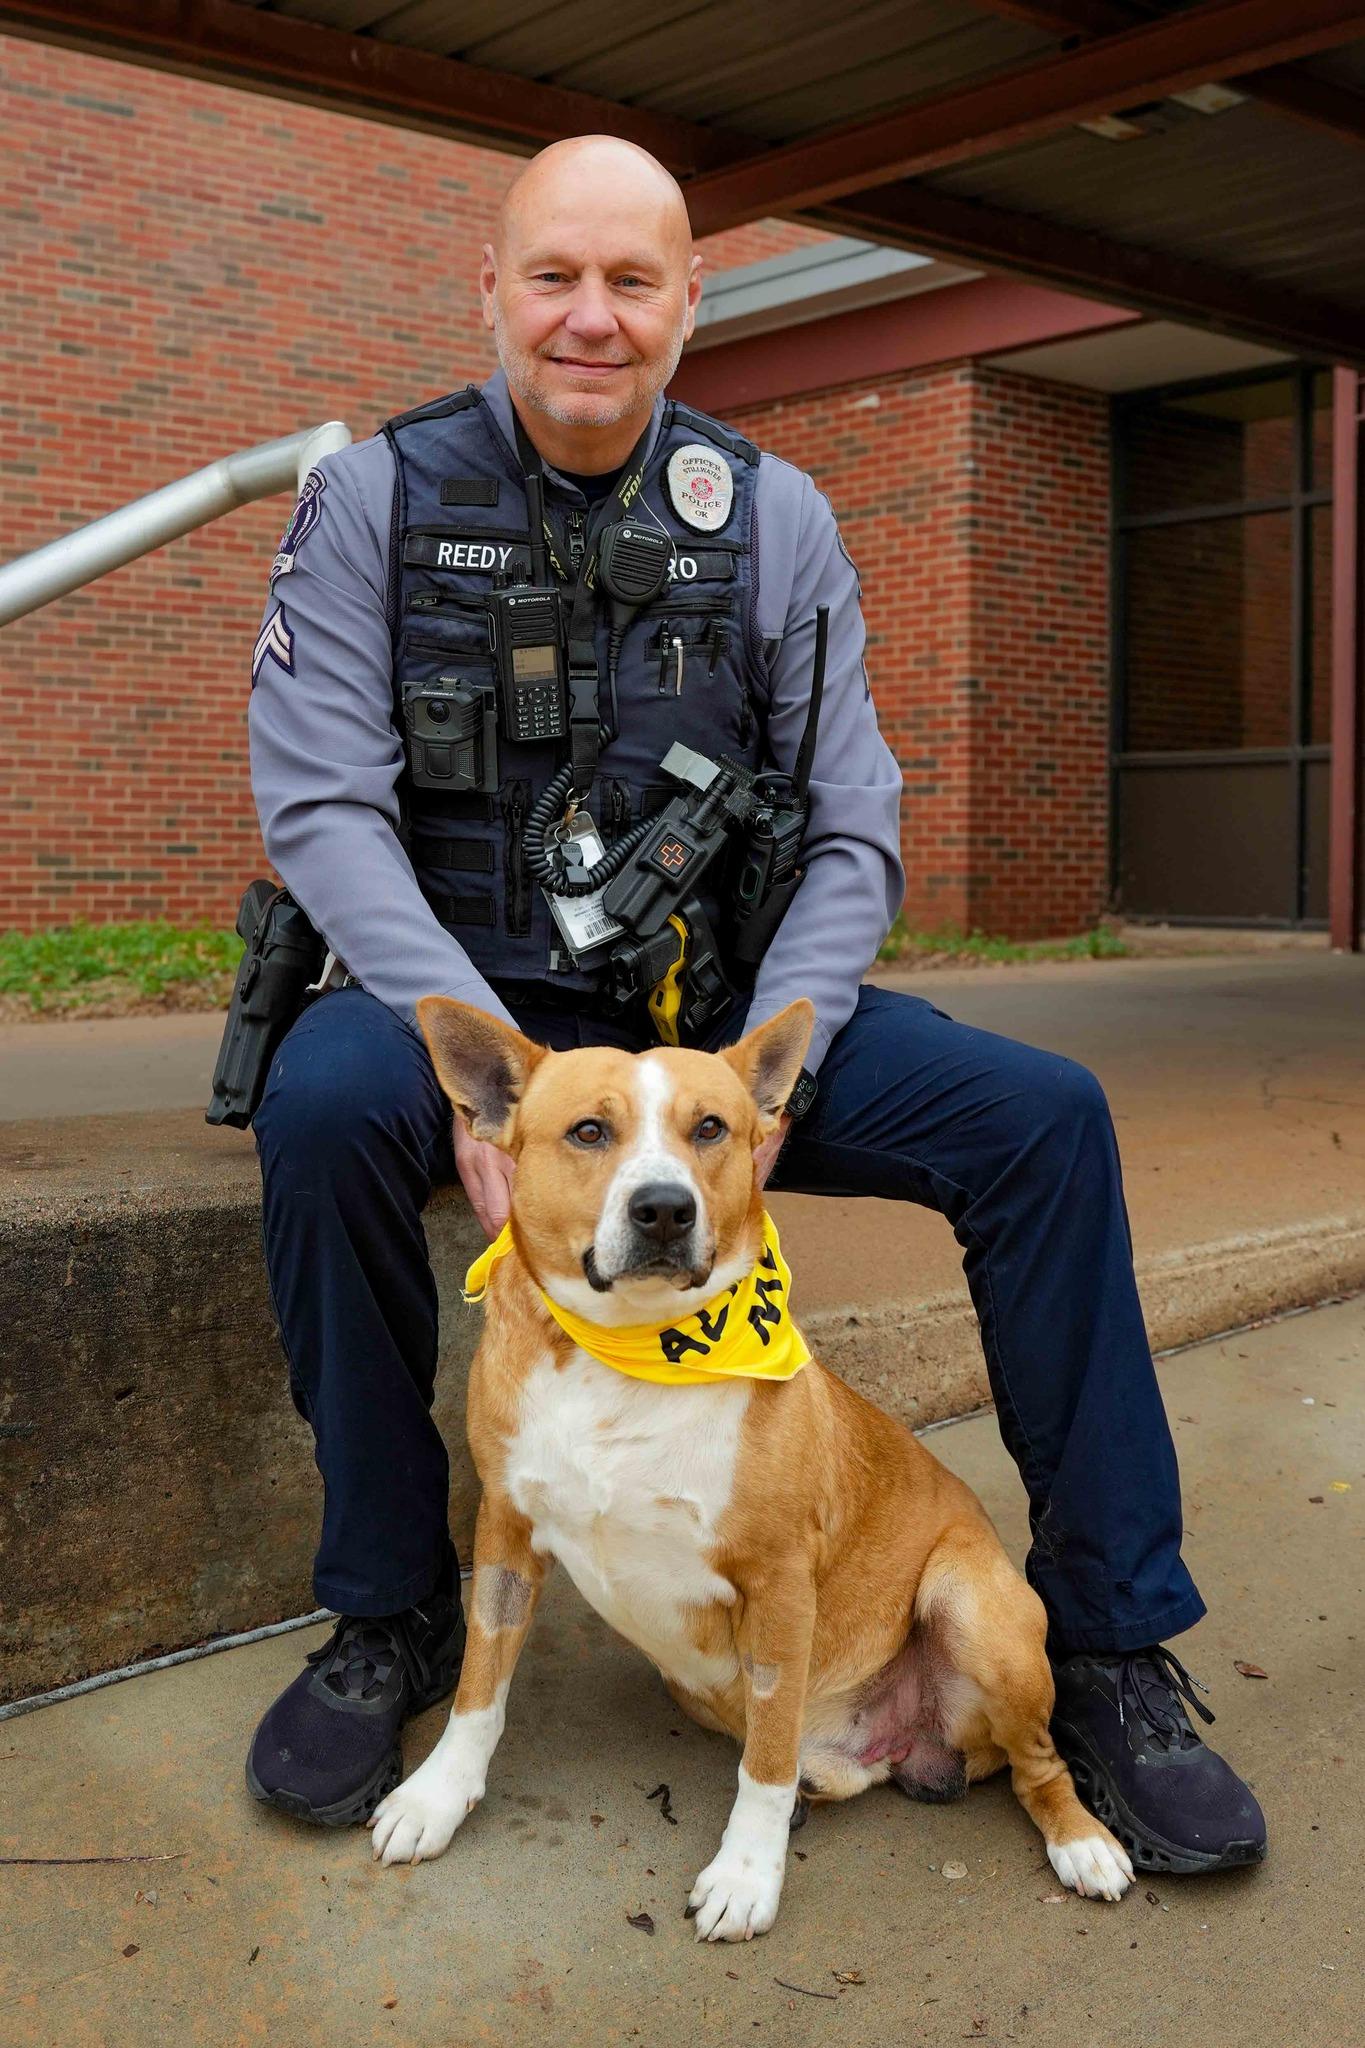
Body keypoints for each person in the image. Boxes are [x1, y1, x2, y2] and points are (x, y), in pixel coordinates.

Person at [244, 135, 1265, 1875]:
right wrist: (481, 1066)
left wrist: (766, 1077)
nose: (589, 315)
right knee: (328, 1110)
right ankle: (391, 1613)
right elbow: (325, 803)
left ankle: (1101, 1641)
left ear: (688, 302)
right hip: (469, 1014)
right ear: (489, 288)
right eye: (553, 276)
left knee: (1041, 1120)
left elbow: (855, 819)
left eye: (631, 280)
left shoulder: (776, 514)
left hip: (717, 1032)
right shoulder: (375, 501)